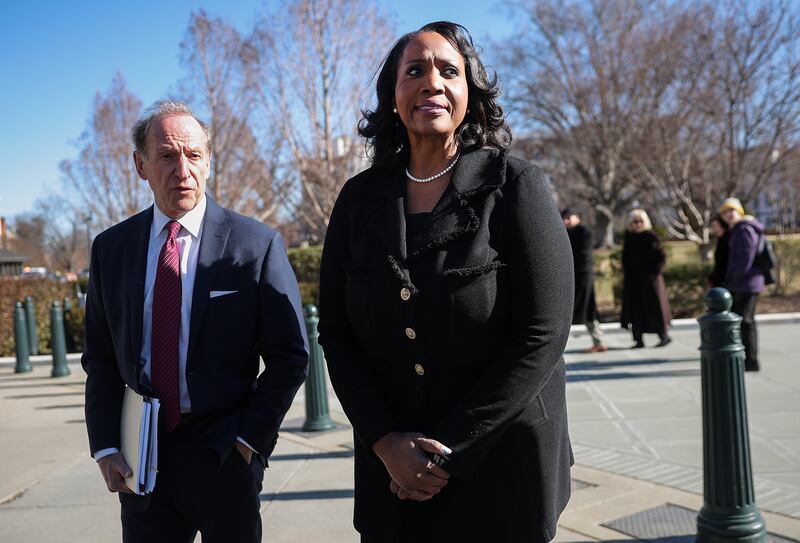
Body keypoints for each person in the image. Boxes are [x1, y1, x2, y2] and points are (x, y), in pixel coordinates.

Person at [317, 21, 574, 542]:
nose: (431, 82)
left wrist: (445, 453)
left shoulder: (515, 185)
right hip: (391, 477)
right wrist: (385, 442)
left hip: (501, 467)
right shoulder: (358, 200)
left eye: (449, 72)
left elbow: (542, 335)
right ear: (393, 98)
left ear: (470, 97)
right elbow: (337, 333)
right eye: (414, 71)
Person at [82, 101, 309, 543]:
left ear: (209, 162)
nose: (182, 169)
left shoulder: (256, 245)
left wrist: (249, 442)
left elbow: (290, 357)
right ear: (140, 165)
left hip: (225, 451)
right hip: (141, 456)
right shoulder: (111, 250)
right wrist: (106, 445)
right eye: (167, 155)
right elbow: (101, 356)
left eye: (194, 155)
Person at [720, 197, 765, 372]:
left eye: (732, 210)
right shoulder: (737, 229)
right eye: (725, 212)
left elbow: (746, 256)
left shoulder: (744, 228)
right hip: (744, 282)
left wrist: (734, 278)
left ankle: (752, 360)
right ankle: (746, 357)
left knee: (745, 321)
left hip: (748, 282)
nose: (728, 214)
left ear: (740, 212)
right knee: (743, 320)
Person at [620, 209, 672, 348]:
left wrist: (654, 273)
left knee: (655, 308)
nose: (638, 224)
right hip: (634, 281)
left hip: (651, 281)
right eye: (635, 221)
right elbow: (625, 258)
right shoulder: (629, 237)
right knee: (636, 310)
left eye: (640, 221)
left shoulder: (650, 236)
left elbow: (661, 257)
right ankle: (638, 339)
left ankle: (663, 335)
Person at [562, 207, 608, 353]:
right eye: (565, 218)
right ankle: (598, 341)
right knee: (584, 310)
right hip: (571, 276)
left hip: (582, 276)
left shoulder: (583, 233)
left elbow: (583, 256)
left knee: (583, 309)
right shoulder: (564, 234)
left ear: (578, 217)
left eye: (570, 217)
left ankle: (598, 341)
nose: (566, 220)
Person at [708, 214, 729, 288]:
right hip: (720, 281)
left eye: (715, 226)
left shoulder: (728, 239)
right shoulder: (720, 239)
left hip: (726, 282)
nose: (713, 229)